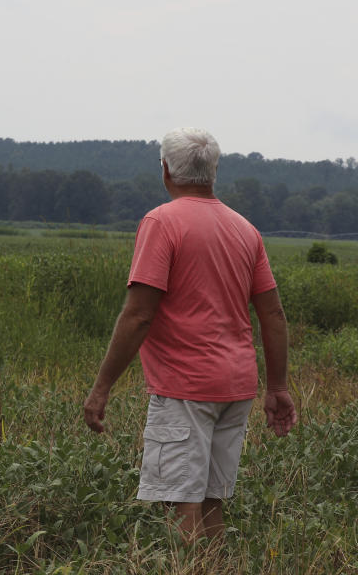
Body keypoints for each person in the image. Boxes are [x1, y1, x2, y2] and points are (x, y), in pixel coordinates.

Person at [82, 127, 298, 541]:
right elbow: (272, 313)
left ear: (165, 170)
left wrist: (102, 387)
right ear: (214, 172)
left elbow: (138, 316)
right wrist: (278, 386)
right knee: (210, 499)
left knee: (181, 501)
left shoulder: (161, 223)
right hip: (236, 386)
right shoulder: (245, 229)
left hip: (187, 387)